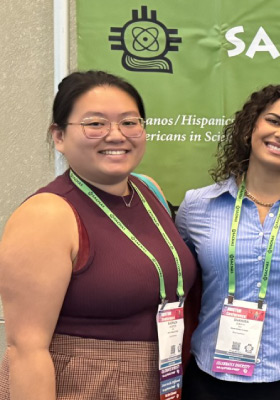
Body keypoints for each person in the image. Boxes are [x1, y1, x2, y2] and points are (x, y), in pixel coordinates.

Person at [0, 70, 198, 399]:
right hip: (86, 383)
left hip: (159, 378)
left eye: (129, 122)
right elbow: (26, 351)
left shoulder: (149, 191)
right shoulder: (47, 214)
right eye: (95, 124)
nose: (116, 135)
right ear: (59, 136)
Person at [175, 85, 280, 399]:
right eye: (274, 121)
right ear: (251, 128)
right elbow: (179, 288)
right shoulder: (197, 207)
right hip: (212, 378)